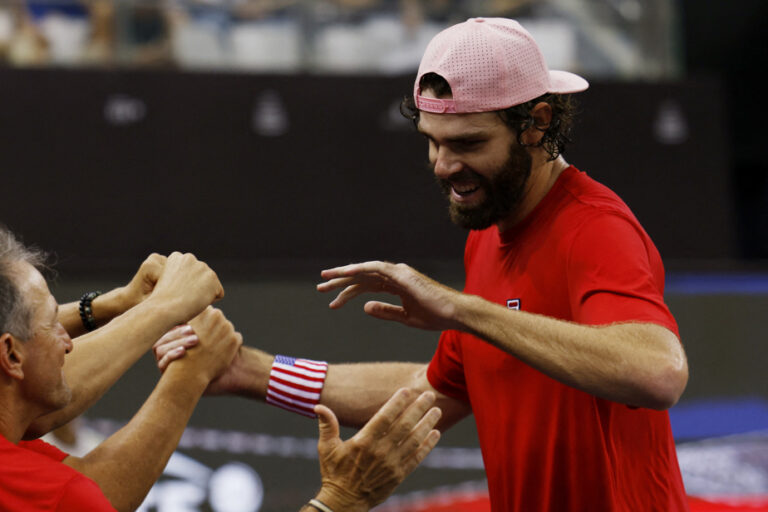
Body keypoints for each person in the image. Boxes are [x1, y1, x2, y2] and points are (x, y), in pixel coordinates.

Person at [156, 17, 690, 511]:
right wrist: (249, 371)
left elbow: (658, 372)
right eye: (431, 143)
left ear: (537, 123)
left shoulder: (594, 228)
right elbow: (432, 393)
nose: (444, 166)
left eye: (468, 143)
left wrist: (461, 310)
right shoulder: (490, 234)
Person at [0, 226, 441, 512]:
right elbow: (89, 494)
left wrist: (108, 307)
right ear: (11, 355)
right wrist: (339, 500)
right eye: (52, 325)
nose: (67, 339)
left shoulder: (24, 458)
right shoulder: (55, 491)